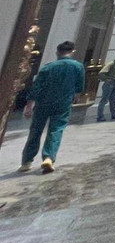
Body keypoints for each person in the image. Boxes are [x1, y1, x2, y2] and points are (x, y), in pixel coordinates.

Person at [20, 41, 86, 174]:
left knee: (36, 130)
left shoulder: (48, 67)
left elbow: (36, 87)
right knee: (56, 129)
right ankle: (49, 157)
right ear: (72, 51)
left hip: (43, 102)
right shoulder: (78, 66)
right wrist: (75, 97)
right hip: (63, 103)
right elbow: (79, 87)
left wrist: (29, 106)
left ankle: (27, 161)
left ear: (58, 52)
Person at [95, 50, 115, 122]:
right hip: (109, 83)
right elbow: (101, 73)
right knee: (104, 100)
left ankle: (114, 114)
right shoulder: (111, 63)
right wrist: (107, 79)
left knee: (114, 100)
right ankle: (100, 116)